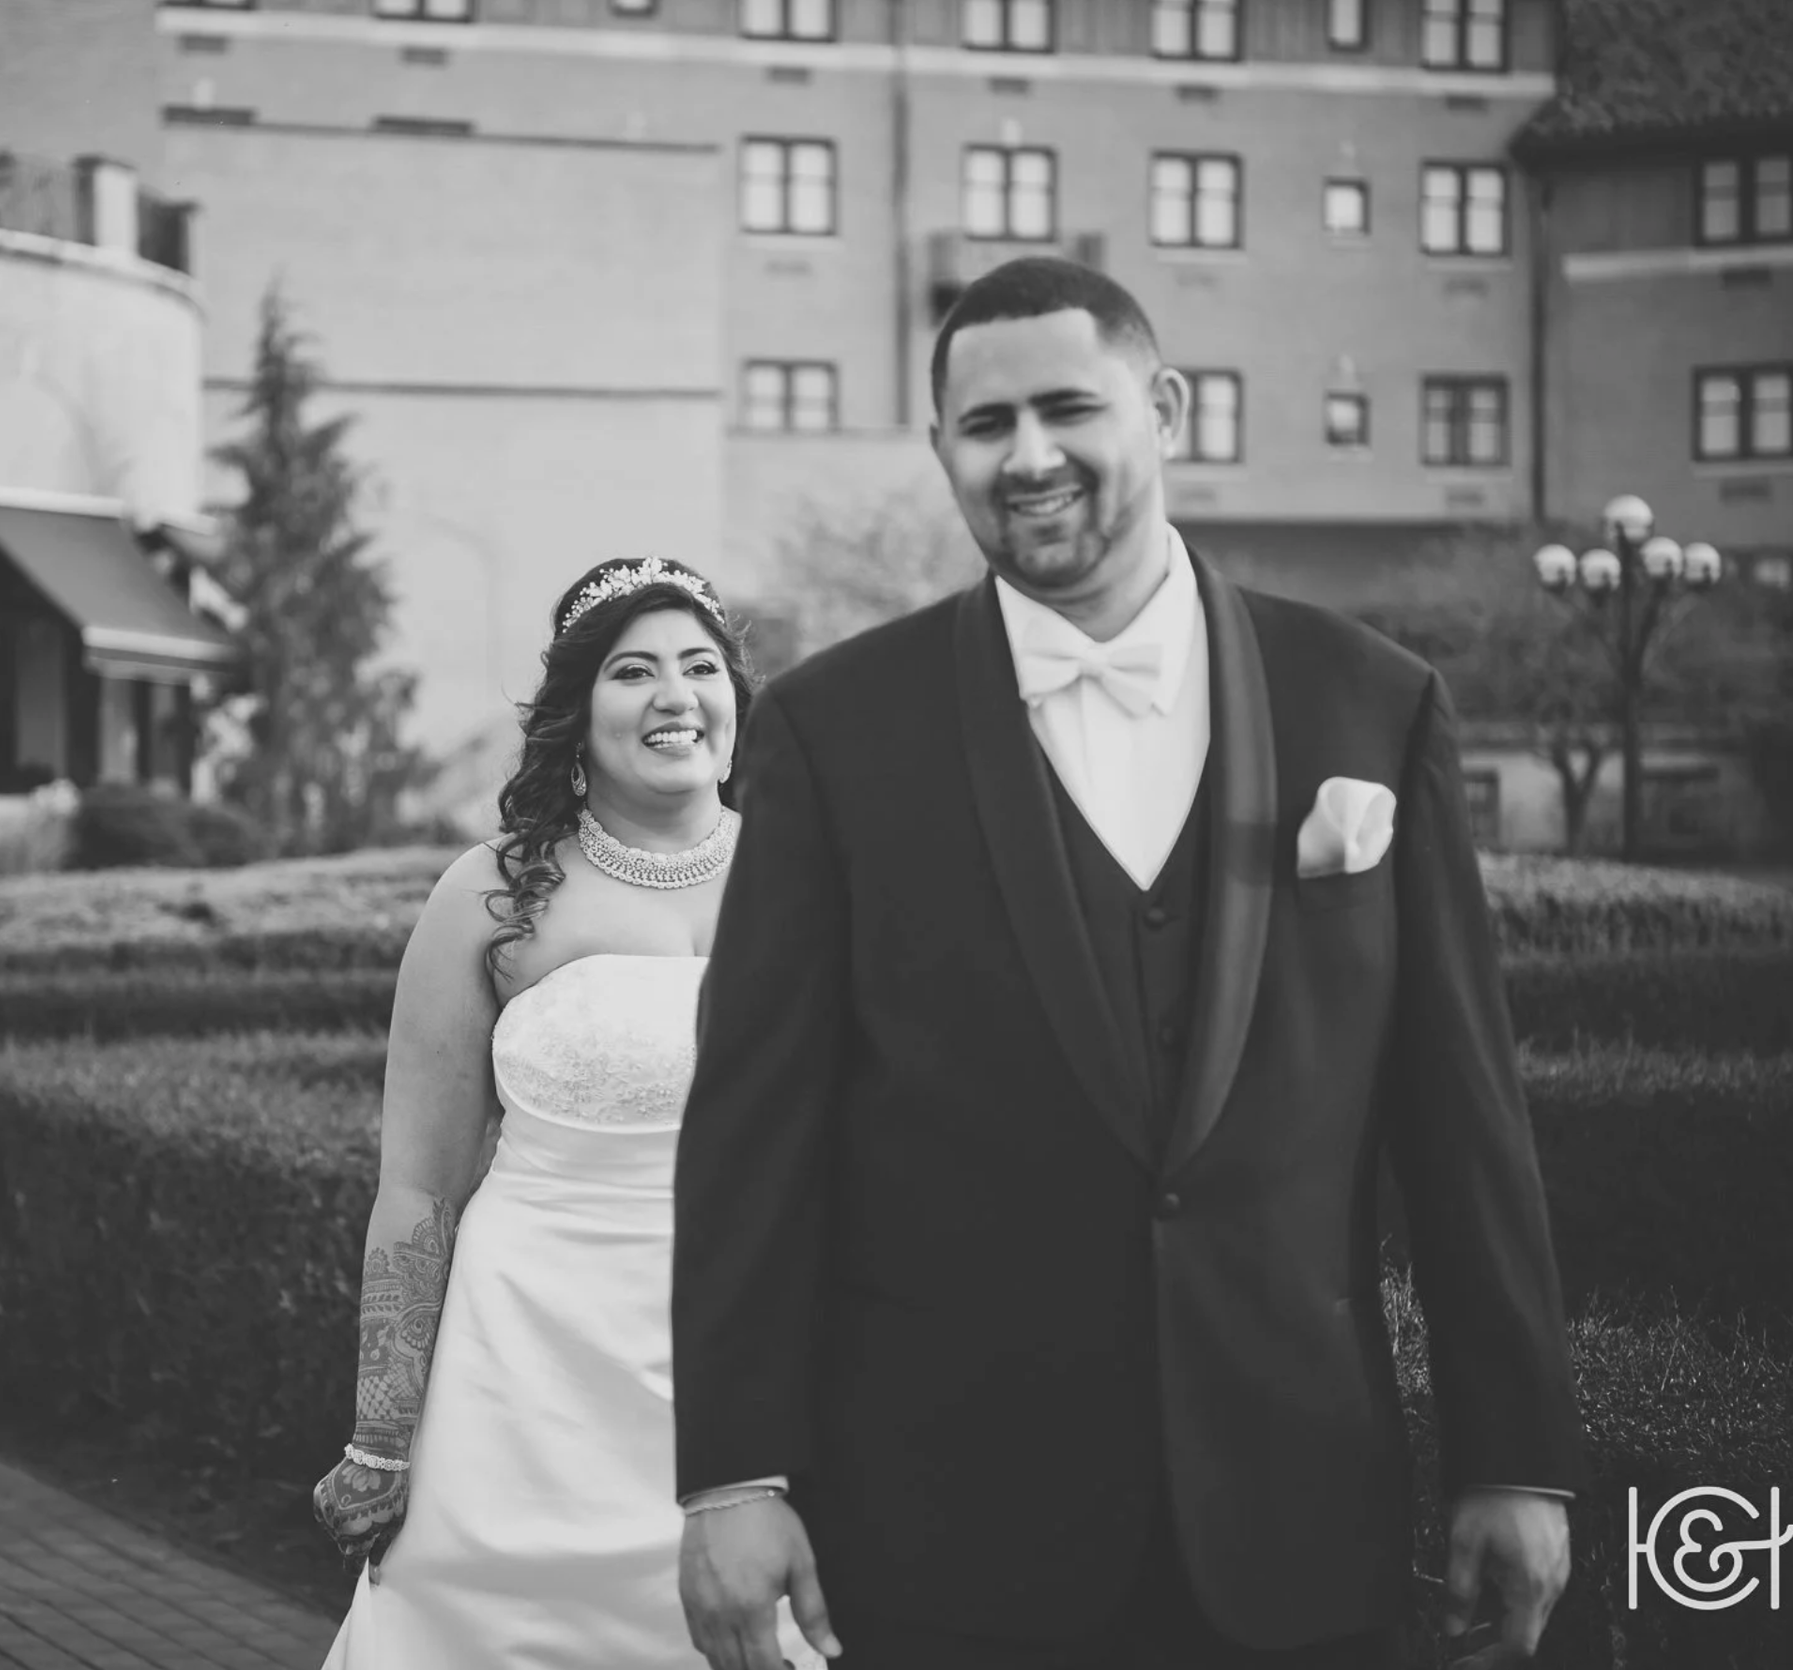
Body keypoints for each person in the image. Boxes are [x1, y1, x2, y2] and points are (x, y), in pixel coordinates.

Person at [672, 257, 1589, 1670]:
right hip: (947, 1530)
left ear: (1161, 408)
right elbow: (753, 1136)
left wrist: (1518, 1452)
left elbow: (1463, 1114)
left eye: (1067, 408)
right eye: (986, 427)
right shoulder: (827, 733)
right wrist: (735, 1473)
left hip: (1302, 1515)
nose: (1028, 458)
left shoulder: (1370, 701)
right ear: (942, 453)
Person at [314, 556, 819, 1670]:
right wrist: (380, 1433)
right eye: (634, 670)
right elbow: (419, 1185)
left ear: (736, 698)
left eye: (700, 665)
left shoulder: (813, 877)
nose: (674, 694)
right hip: (525, 1371)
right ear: (578, 712)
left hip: (756, 1353)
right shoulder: (491, 894)